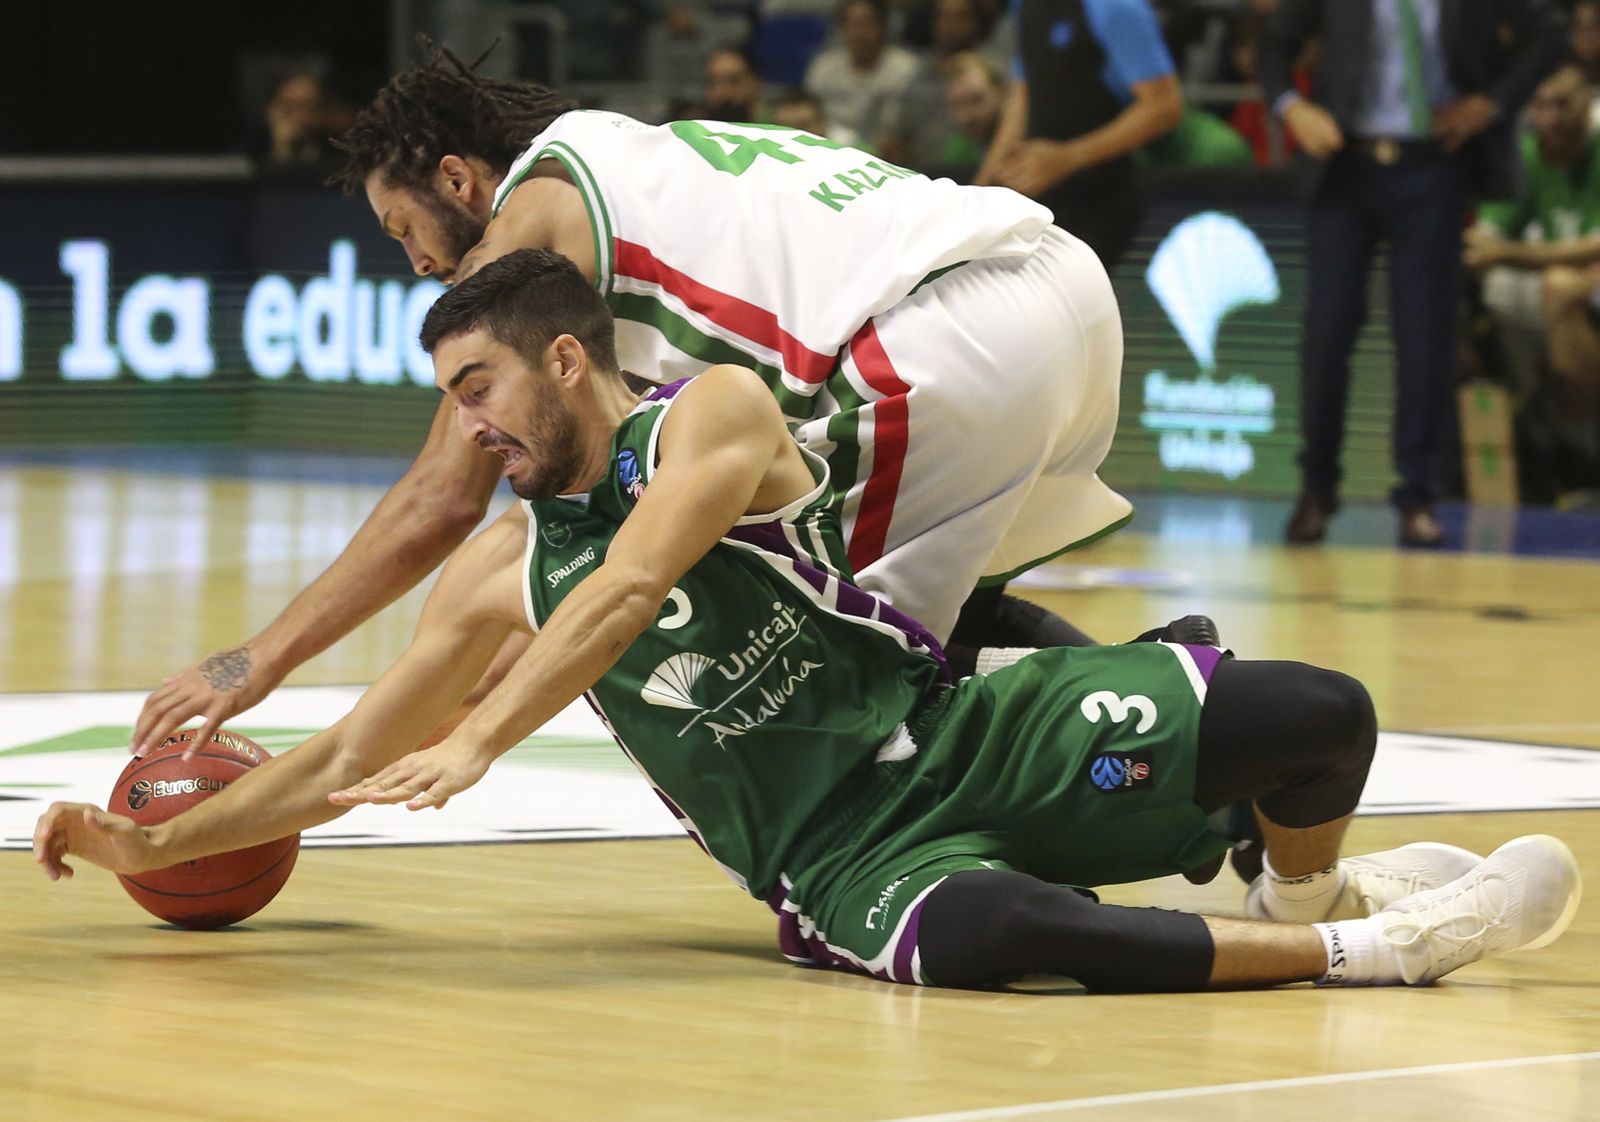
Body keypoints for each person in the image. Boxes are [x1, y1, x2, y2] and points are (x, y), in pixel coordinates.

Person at [38, 251, 1582, 992]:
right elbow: (343, 756)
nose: (466, 434)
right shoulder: (494, 573)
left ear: (567, 358)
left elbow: (637, 584)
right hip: (841, 851)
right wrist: (148, 850)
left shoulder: (708, 414)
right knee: (1000, 939)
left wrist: (486, 739)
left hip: (961, 733)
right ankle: (1370, 952)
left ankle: (1288, 894)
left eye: (475, 392)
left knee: (1324, 718)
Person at [132, 47, 1137, 757]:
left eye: (407, 229)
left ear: (457, 178)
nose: (419, 265)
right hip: (1053, 288)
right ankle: (1168, 692)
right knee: (854, 592)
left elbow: (443, 495)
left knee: (822, 670)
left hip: (942, 338)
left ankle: (1182, 751)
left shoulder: (528, 225)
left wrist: (253, 660)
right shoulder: (626, 154)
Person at [1259, 0, 1568, 548]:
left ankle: (1418, 497)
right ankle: (1315, 488)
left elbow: (1548, 29)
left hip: (1434, 162)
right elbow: (1273, 39)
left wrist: (1493, 103)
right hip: (1344, 166)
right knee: (1327, 332)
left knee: (1425, 339)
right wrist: (1291, 107)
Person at [975, 0, 1185, 271]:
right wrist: (981, 189)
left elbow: (1164, 106)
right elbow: (1023, 94)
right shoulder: (1027, 6)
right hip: (1042, 197)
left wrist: (1066, 158)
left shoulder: (1115, 6)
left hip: (1101, 201)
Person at [1465, 63, 1600, 422]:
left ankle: (1582, 446)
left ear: (1587, 103)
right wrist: (1467, 248)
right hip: (1567, 281)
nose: (1550, 119)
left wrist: (1507, 254)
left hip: (1580, 285)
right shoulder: (1529, 149)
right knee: (1461, 288)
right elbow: (1488, 234)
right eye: (1540, 106)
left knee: (1561, 287)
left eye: (1562, 105)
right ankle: (1516, 425)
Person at [803, 0, 921, 147]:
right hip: (830, 144)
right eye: (851, 24)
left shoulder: (905, 67)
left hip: (885, 147)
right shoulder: (824, 66)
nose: (859, 32)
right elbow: (810, 110)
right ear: (841, 28)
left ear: (882, 26)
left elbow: (910, 120)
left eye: (866, 23)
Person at [696, 45, 770, 123]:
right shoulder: (692, 130)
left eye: (733, 81)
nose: (721, 92)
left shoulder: (777, 130)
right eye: (712, 83)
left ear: (755, 83)